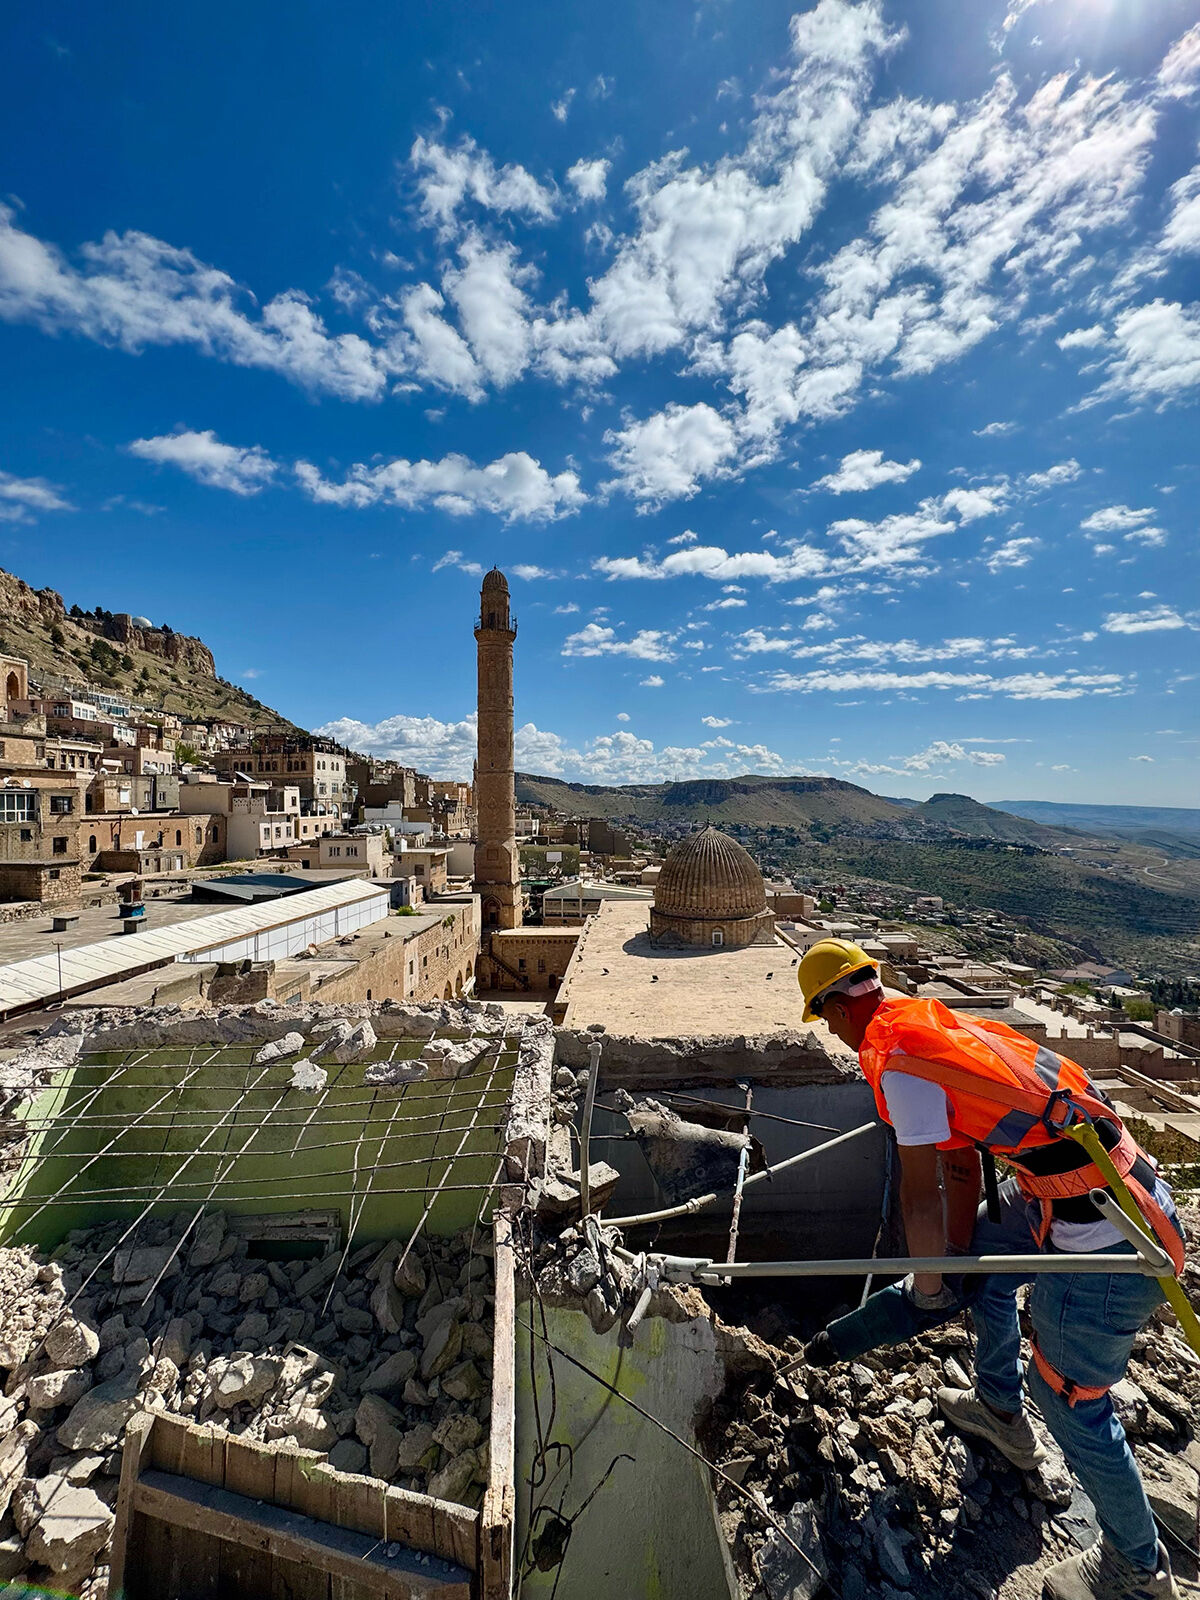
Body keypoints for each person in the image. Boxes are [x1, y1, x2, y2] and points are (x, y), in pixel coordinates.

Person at [797, 938, 1185, 1600]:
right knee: (982, 1265)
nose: (832, 1033)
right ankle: (998, 1413)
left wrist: (925, 1290)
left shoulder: (901, 1060)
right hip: (1074, 1196)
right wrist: (954, 1263)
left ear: (838, 1004)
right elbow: (960, 1163)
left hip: (1114, 1239)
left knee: (1067, 1397)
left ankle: (1135, 1568)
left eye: (826, 1018)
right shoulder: (933, 1025)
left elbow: (919, 1191)